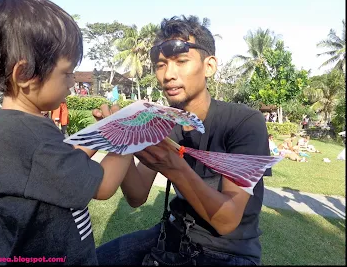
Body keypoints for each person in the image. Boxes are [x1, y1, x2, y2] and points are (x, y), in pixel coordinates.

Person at [94, 15, 272, 265]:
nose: (168, 74)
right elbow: (136, 196)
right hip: (171, 236)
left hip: (228, 250)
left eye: (181, 61)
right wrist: (125, 139)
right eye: (160, 65)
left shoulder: (243, 123)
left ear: (209, 66)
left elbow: (227, 220)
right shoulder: (165, 123)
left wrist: (172, 166)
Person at [0, 0, 134, 264]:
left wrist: (100, 134)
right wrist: (128, 136)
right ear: (26, 74)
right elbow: (103, 186)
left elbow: (64, 158)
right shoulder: (31, 137)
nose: (72, 82)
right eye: (67, 72)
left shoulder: (24, 125)